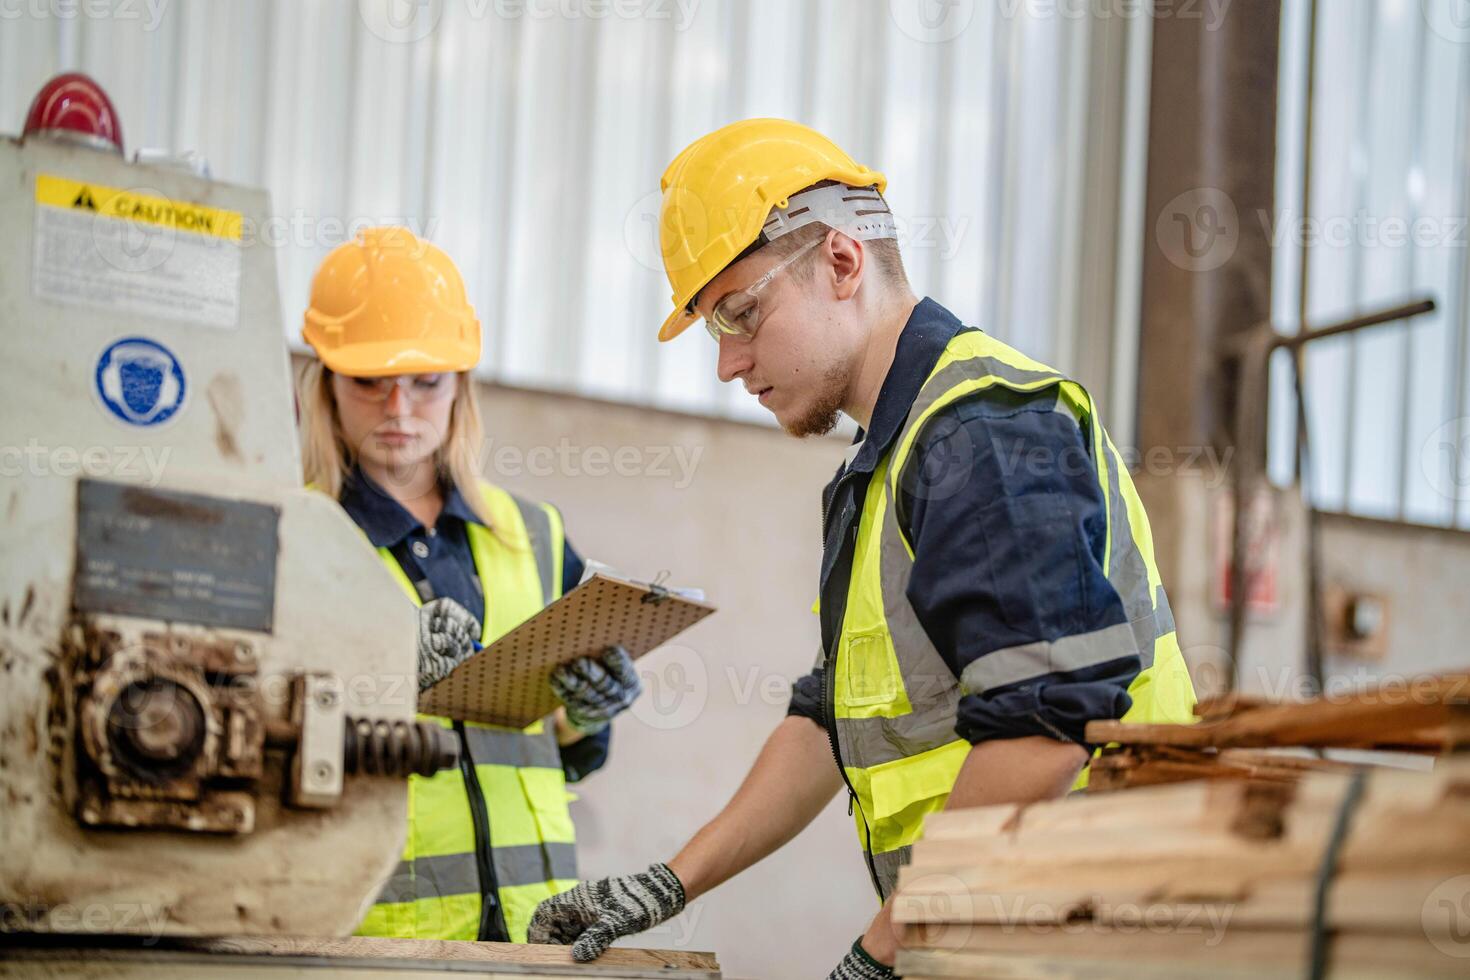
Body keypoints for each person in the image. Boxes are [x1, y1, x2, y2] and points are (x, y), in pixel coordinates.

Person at [527, 119, 1199, 978]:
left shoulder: (977, 433)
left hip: (1087, 944)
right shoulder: (890, 459)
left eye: (741, 313)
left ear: (843, 263)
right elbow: (826, 720)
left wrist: (881, 952)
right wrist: (667, 884)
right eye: (710, 328)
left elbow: (1047, 728)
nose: (729, 363)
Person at [299, 226, 642, 943]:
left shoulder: (534, 535)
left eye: (426, 382)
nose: (400, 410)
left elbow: (570, 752)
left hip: (539, 934)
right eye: (371, 382)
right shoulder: (292, 537)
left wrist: (588, 709)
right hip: (377, 939)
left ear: (460, 385)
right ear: (326, 381)